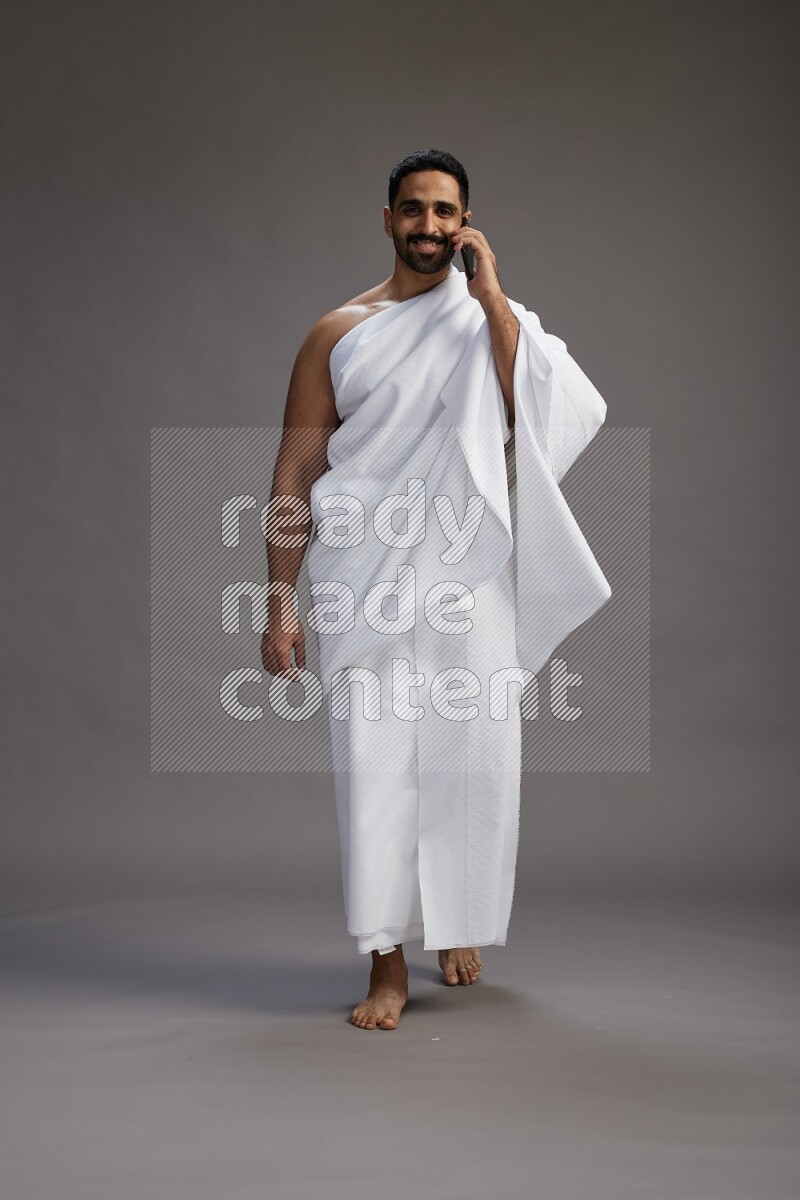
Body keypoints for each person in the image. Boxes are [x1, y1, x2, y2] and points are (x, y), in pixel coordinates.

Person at [261, 149, 611, 1030]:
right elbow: (297, 470)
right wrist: (279, 601)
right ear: (387, 219)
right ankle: (386, 960)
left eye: (445, 212)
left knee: (471, 755)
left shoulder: (493, 320)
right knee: (374, 767)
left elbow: (544, 412)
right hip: (361, 575)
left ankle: (456, 923)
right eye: (412, 210)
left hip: (468, 574)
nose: (428, 227)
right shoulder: (338, 332)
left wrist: (491, 295)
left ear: (467, 222)